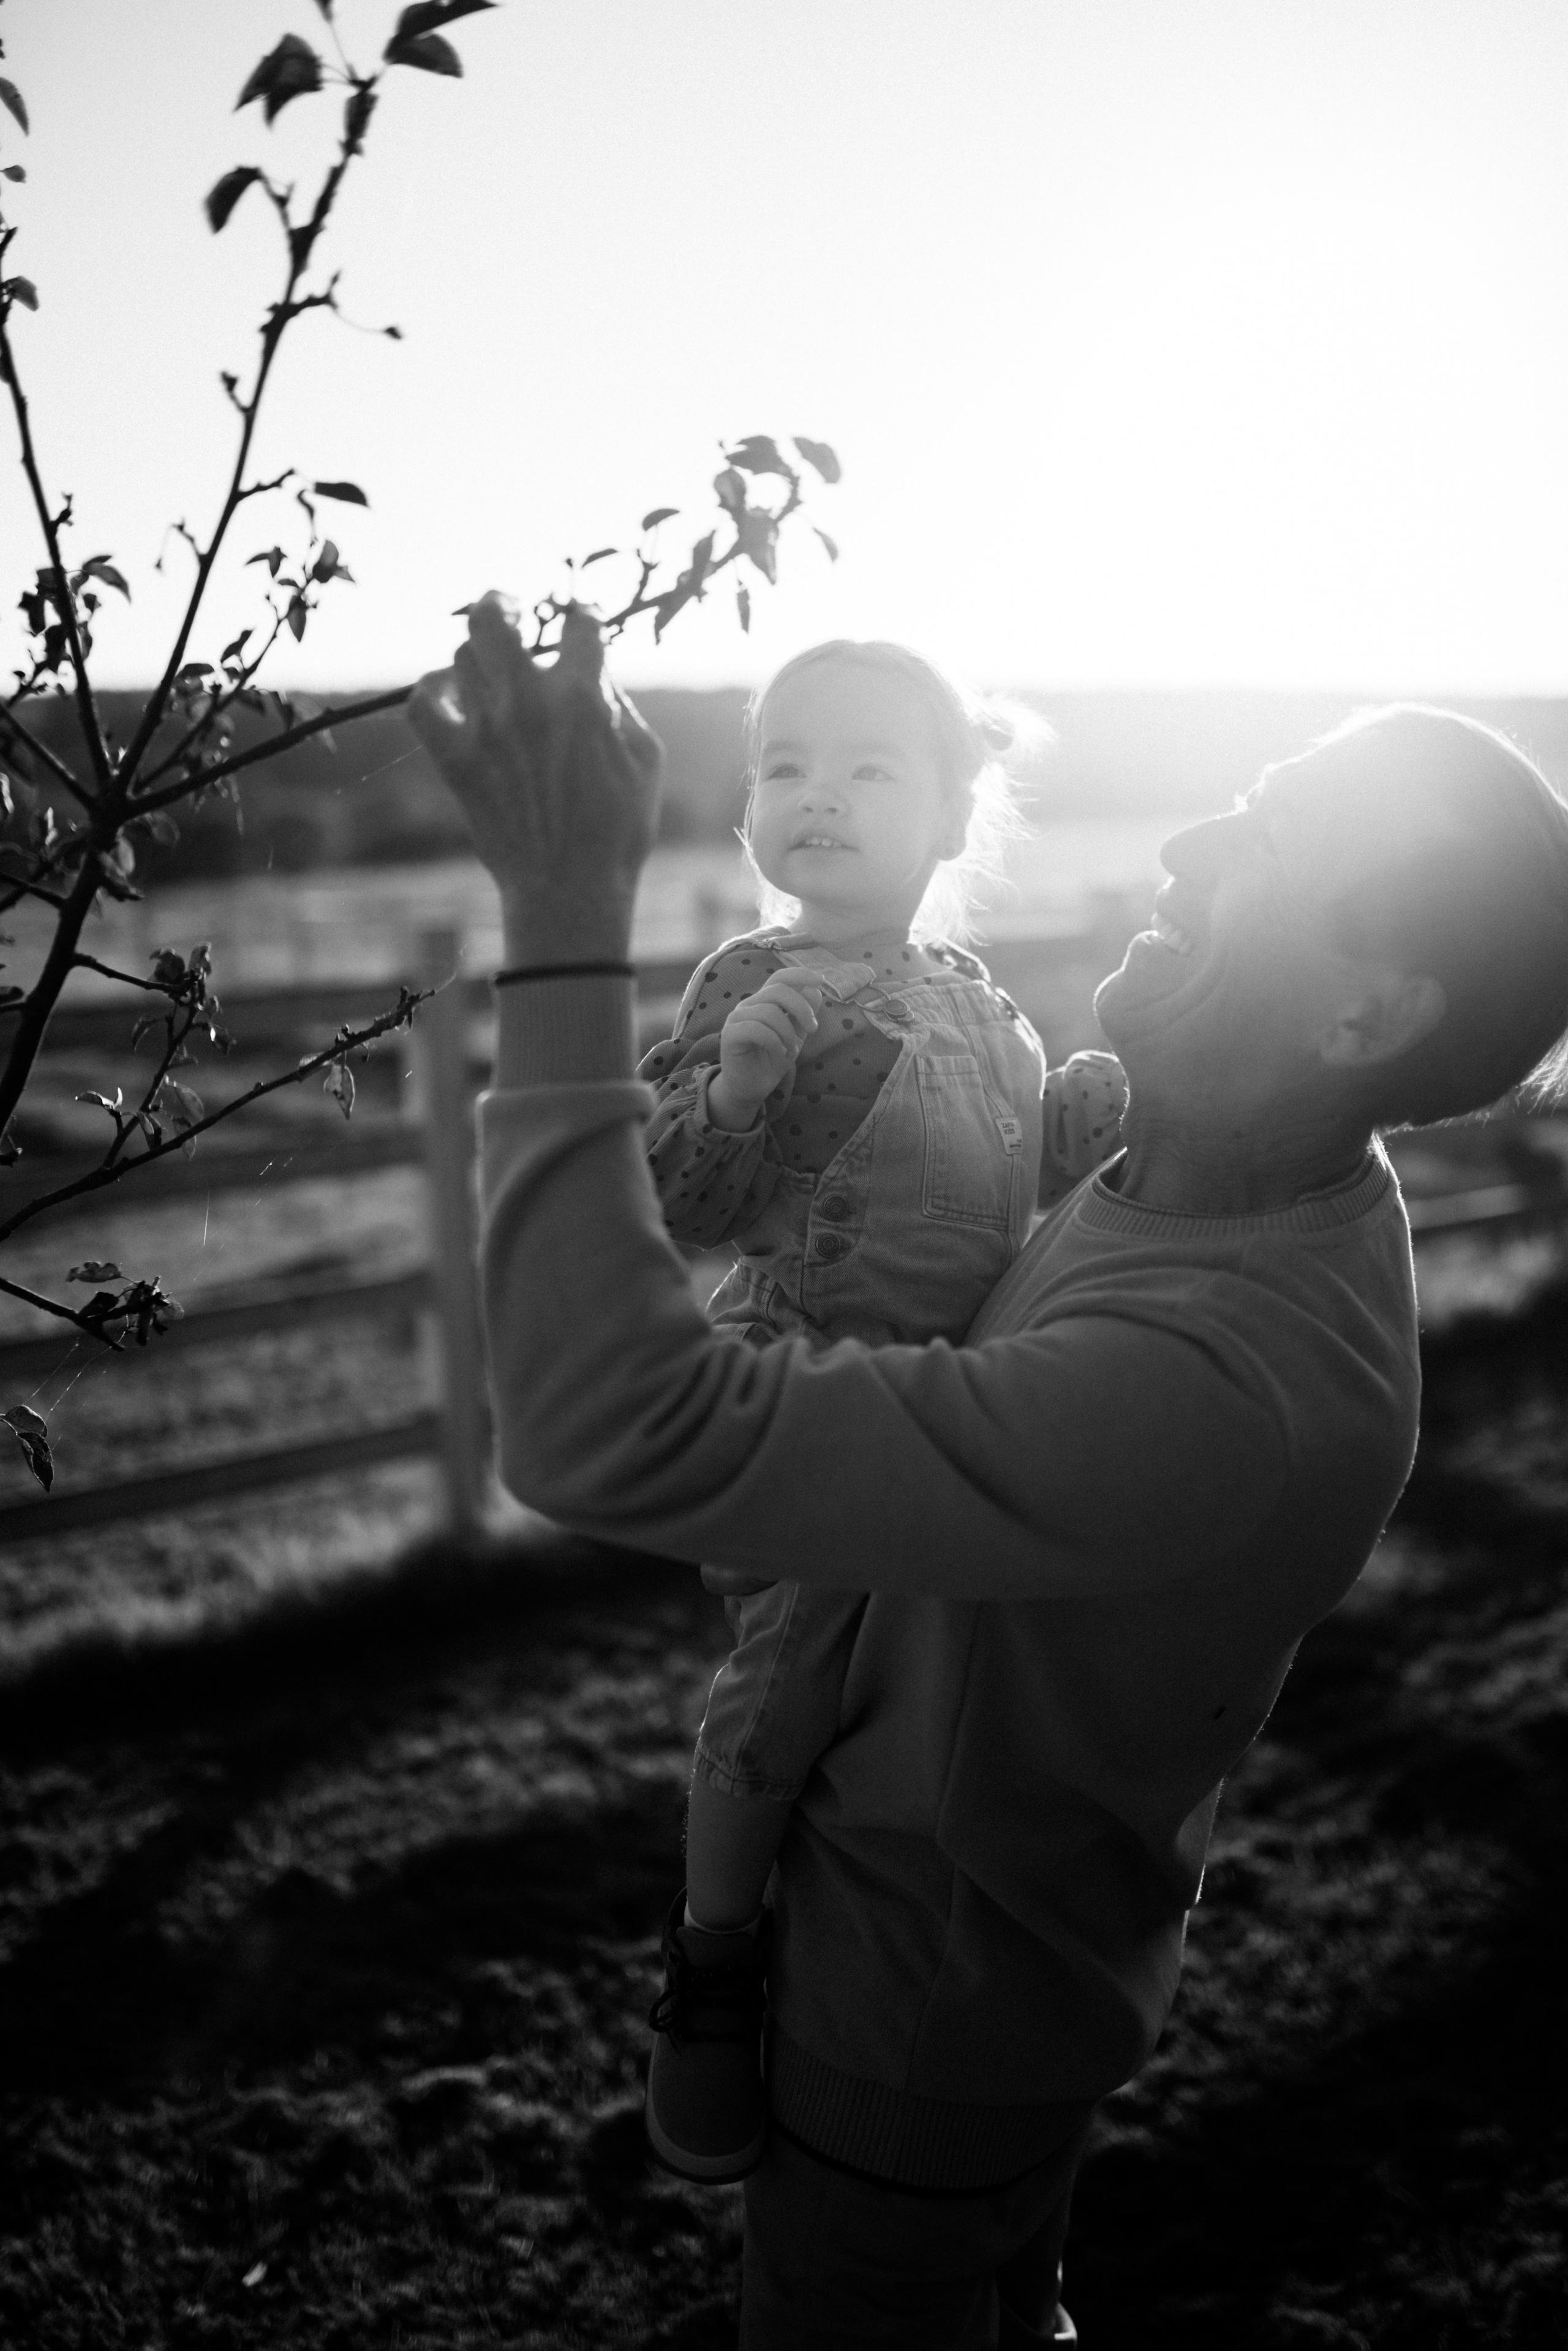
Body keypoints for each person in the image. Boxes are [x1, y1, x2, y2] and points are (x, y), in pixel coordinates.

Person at [409, 597, 1568, 2350]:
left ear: (1370, 1010)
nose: (1188, 836)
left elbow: (599, 1426)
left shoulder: (1233, 1386)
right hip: (1009, 1989)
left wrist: (568, 915)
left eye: (1270, 840)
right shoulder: (1176, 1160)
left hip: (916, 2020)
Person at [635, 640, 1126, 2184]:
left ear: (946, 815)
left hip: (959, 1407)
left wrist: (1075, 1123)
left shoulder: (982, 1002)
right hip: (808, 1395)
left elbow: (1000, 1187)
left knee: (946, 1686)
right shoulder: (748, 984)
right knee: (786, 1677)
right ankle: (714, 1960)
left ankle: (941, 1938)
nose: (815, 797)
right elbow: (686, 1203)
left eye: (864, 770)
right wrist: (730, 1093)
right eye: (783, 766)